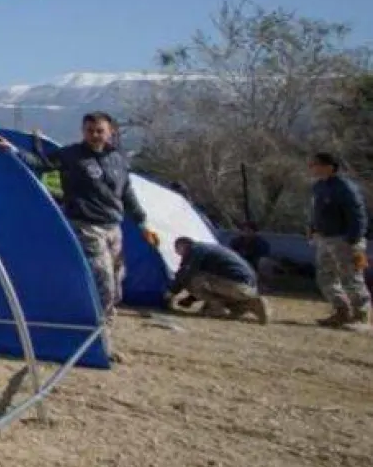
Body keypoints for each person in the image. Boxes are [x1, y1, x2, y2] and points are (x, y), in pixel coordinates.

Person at [20, 113, 158, 362]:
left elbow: (127, 194)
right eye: (90, 130)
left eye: (99, 130)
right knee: (103, 281)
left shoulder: (117, 159)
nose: (94, 135)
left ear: (110, 132)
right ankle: (97, 344)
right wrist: (11, 150)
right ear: (83, 131)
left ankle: (102, 334)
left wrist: (142, 222)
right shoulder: (72, 156)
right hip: (86, 226)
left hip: (113, 228)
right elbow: (39, 163)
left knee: (115, 285)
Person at [307, 152, 369, 329]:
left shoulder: (345, 188)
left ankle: (361, 316)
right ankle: (341, 311)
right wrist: (312, 229)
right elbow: (316, 211)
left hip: (345, 240)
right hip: (324, 239)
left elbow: (358, 215)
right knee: (325, 276)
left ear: (329, 166)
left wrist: (353, 239)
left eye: (315, 164)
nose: (312, 168)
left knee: (351, 277)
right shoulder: (318, 186)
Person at [164, 237, 268, 323]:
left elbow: (186, 273)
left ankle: (216, 307)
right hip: (248, 286)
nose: (180, 255)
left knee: (192, 279)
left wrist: (171, 293)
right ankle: (250, 305)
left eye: (178, 251)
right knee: (235, 307)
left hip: (235, 283)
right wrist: (190, 299)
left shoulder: (195, 250)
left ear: (183, 245)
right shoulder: (207, 248)